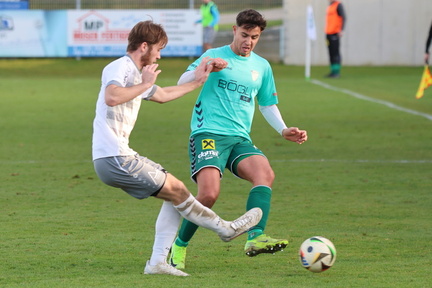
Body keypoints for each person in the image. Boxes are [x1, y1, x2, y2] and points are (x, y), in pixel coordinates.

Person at [92, 20, 262, 277]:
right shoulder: (120, 66)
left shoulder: (137, 74)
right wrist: (144, 83)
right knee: (178, 191)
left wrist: (200, 80)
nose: (159, 55)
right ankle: (225, 230)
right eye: (158, 49)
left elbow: (163, 95)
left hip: (119, 155)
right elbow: (112, 96)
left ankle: (158, 262)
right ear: (144, 46)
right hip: (114, 157)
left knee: (175, 194)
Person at [169, 9, 308, 270]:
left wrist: (283, 130)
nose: (249, 42)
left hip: (239, 138)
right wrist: (207, 67)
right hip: (207, 133)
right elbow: (182, 80)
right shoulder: (213, 55)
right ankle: (179, 245)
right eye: (245, 35)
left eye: (254, 37)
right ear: (234, 30)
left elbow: (267, 104)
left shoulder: (262, 66)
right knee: (209, 194)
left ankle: (255, 237)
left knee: (265, 174)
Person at [325, 0, 346, 78]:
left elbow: (343, 17)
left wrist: (341, 30)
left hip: (335, 33)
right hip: (328, 32)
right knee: (330, 53)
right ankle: (332, 71)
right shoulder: (330, 6)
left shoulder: (338, 5)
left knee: (335, 53)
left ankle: (336, 72)